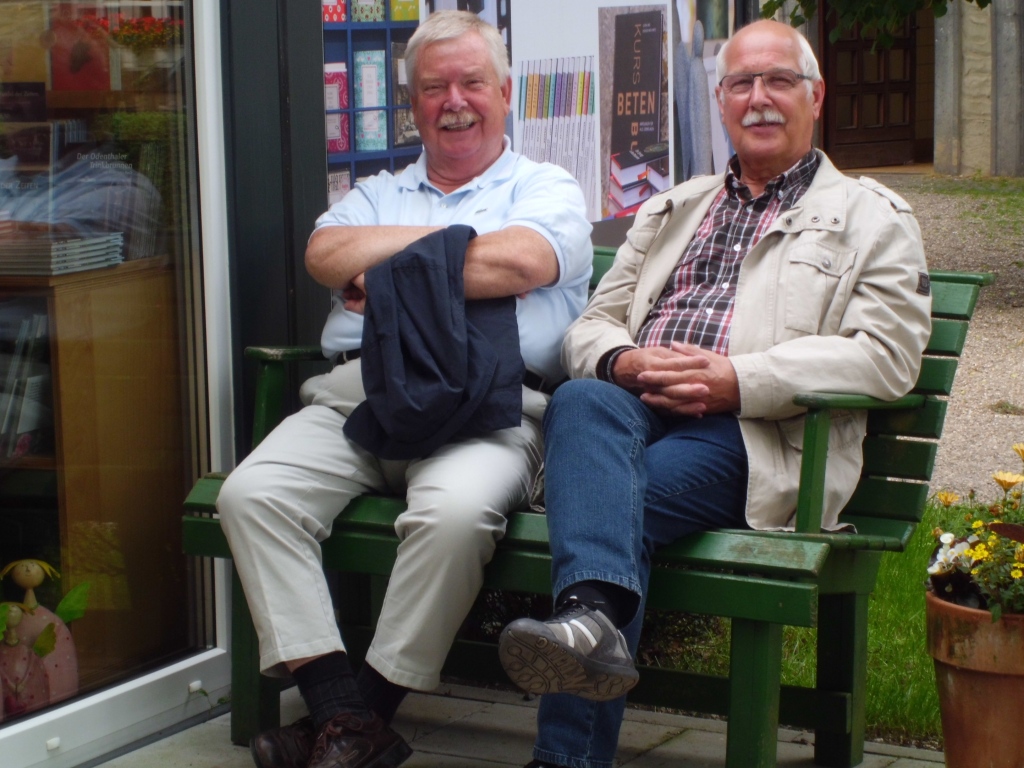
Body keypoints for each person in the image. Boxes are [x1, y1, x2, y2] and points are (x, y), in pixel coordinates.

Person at [497, 19, 932, 768]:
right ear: (721, 99)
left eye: (779, 80)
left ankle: (568, 727)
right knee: (582, 400)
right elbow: (591, 326)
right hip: (631, 415)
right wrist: (624, 361)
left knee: (609, 506)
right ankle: (593, 623)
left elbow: (887, 357)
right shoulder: (674, 208)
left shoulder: (873, 218)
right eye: (741, 83)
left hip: (754, 437)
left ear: (816, 97)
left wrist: (741, 380)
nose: (759, 98)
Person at [216, 11, 592, 768]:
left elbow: (521, 263)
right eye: (433, 87)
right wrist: (458, 264)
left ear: (505, 92)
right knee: (251, 495)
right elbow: (326, 253)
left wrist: (387, 276)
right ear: (411, 103)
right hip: (359, 394)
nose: (454, 101)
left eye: (472, 82)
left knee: (455, 515)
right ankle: (346, 718)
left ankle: (352, 719)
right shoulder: (375, 191)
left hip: (491, 405)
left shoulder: (544, 187)